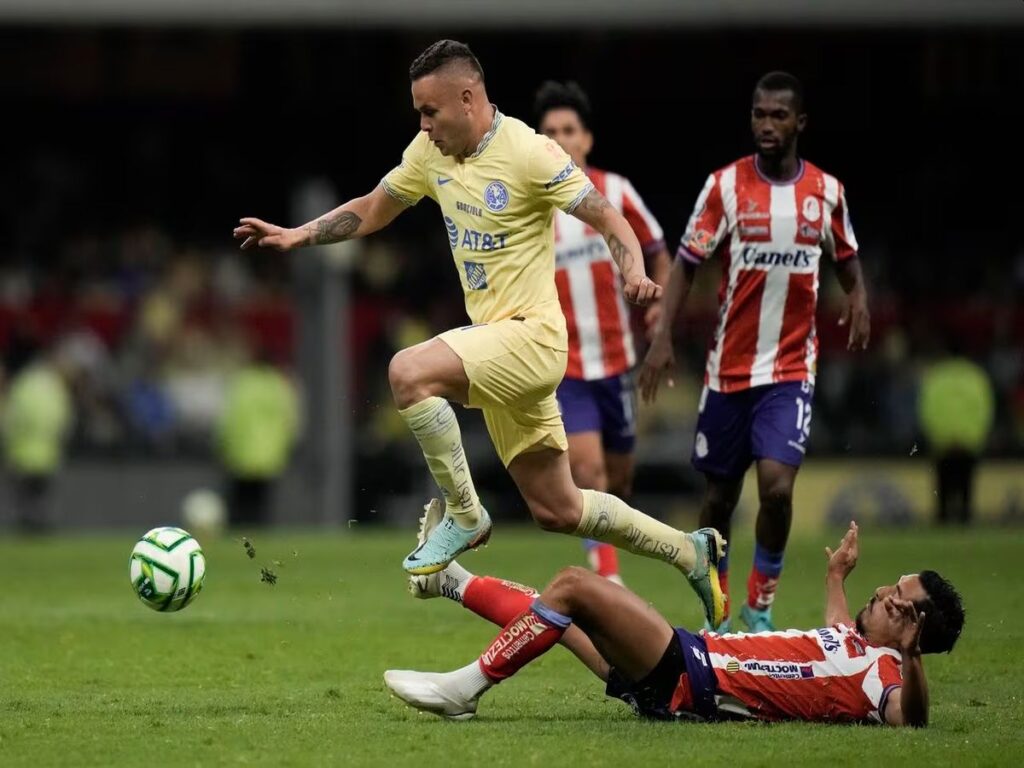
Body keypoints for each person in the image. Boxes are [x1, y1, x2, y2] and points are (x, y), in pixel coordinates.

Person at [233, 40, 726, 626]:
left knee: (407, 372)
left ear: (467, 99)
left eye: (430, 111)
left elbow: (607, 216)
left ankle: (466, 515)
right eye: (418, 112)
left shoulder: (530, 152)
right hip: (497, 343)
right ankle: (689, 551)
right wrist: (298, 235)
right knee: (558, 508)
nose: (423, 125)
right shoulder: (429, 153)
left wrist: (634, 271)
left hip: (534, 339)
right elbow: (373, 207)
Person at [638, 71, 872, 632]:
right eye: (759, 114)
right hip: (728, 371)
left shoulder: (827, 192)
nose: (767, 125)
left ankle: (760, 606)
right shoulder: (725, 187)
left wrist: (859, 296)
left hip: (790, 369)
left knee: (777, 487)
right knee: (719, 499)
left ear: (799, 122)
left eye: (778, 116)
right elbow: (687, 264)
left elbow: (846, 256)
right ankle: (716, 608)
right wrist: (662, 336)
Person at [389, 514, 965, 727]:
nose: (883, 592)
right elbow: (837, 629)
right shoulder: (856, 645)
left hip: (692, 676)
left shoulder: (886, 675)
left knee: (572, 586)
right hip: (686, 670)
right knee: (557, 612)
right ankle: (450, 581)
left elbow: (909, 718)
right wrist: (836, 576)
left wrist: (913, 658)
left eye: (896, 597)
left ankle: (464, 690)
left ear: (911, 625)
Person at [536, 80, 672, 583]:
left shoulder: (615, 192)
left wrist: (661, 310)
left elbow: (657, 250)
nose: (560, 139)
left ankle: (607, 564)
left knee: (618, 482)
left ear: (587, 138)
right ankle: (608, 582)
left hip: (617, 364)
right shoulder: (531, 204)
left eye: (569, 129)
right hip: (565, 366)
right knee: (587, 474)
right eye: (550, 132)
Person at [216, 351, 300, 527]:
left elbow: (229, 419)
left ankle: (240, 533)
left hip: (242, 452)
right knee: (262, 503)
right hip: (270, 454)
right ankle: (261, 532)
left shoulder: (243, 383)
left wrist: (223, 445)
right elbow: (290, 420)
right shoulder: (279, 384)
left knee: (240, 502)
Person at [917, 349, 994, 525]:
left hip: (942, 444)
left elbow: (927, 409)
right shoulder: (975, 376)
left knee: (943, 493)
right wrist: (973, 437)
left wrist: (938, 436)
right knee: (966, 491)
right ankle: (965, 523)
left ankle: (943, 523)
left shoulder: (936, 376)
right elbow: (984, 409)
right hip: (969, 443)